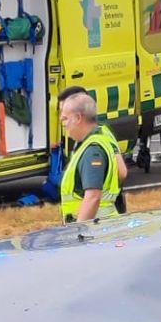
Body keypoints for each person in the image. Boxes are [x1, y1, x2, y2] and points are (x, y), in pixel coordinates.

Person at [56, 88, 124, 223]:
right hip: (102, 227)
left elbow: (93, 197)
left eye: (65, 118)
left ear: (78, 118)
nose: (63, 123)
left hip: (95, 231)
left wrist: (78, 231)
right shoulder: (90, 142)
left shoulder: (93, 149)